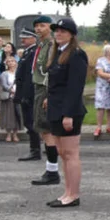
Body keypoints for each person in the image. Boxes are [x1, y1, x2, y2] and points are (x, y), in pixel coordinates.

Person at [44, 18, 88, 208]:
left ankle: (73, 194)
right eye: (56, 31)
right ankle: (67, 192)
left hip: (68, 111)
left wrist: (68, 114)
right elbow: (56, 84)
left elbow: (75, 87)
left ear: (71, 34)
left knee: (71, 153)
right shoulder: (58, 53)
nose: (58, 33)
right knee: (62, 152)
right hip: (56, 108)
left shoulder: (76, 54)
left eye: (63, 31)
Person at [30, 17, 62, 187]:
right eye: (36, 26)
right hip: (38, 87)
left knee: (46, 129)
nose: (38, 29)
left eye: (42, 25)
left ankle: (52, 171)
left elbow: (52, 71)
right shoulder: (41, 44)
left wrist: (50, 95)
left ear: (50, 27)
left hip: (45, 89)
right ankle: (51, 169)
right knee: (43, 130)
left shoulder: (51, 45)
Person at [15, 29, 41, 159]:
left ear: (33, 38)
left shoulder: (34, 52)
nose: (22, 40)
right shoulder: (28, 52)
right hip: (23, 92)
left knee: (31, 122)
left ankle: (35, 150)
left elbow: (30, 76)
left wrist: (27, 94)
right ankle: (34, 148)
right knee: (28, 122)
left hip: (29, 93)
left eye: (25, 38)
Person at [93, 45, 110, 141]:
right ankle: (98, 127)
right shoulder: (101, 61)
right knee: (101, 107)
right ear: (107, 51)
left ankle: (108, 126)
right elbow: (100, 73)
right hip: (102, 87)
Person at [0, 56, 20, 142]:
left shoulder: (19, 73)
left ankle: (15, 134)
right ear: (6, 64)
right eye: (9, 61)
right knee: (8, 116)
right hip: (9, 96)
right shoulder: (4, 74)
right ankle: (8, 134)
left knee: (17, 115)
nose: (11, 63)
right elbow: (4, 85)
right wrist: (11, 90)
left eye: (13, 61)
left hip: (18, 96)